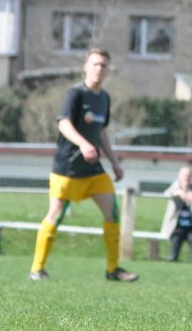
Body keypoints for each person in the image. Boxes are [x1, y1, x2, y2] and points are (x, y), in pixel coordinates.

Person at [29, 48, 138, 282]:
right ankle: (37, 269)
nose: (99, 68)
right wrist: (83, 144)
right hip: (67, 168)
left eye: (103, 65)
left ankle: (113, 270)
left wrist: (115, 162)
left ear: (108, 70)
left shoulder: (104, 98)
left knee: (112, 213)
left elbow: (101, 133)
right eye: (95, 64)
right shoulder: (75, 94)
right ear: (86, 67)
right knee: (55, 215)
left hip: (93, 171)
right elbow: (64, 124)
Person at [160, 165, 192, 263]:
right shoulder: (175, 187)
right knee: (176, 237)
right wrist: (177, 193)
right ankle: (173, 258)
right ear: (179, 176)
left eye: (189, 175)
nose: (186, 177)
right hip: (176, 225)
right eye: (184, 175)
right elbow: (166, 193)